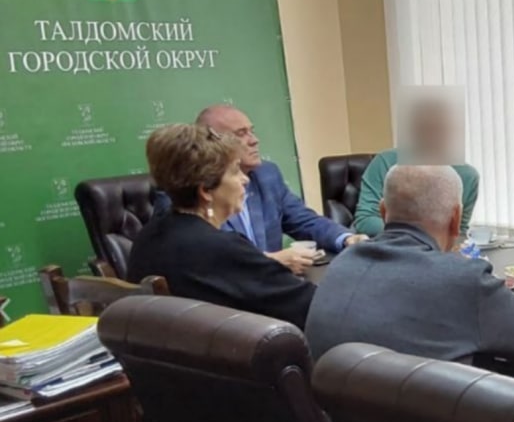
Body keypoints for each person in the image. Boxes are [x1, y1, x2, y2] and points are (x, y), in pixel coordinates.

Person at [306, 165, 514, 364]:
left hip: (337, 416)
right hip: (429, 418)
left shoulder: (342, 263)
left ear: (383, 212)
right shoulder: (464, 280)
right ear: (456, 219)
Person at [129, 124, 316, 329]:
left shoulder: (146, 236)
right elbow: (311, 306)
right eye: (235, 171)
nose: (245, 180)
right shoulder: (221, 248)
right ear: (206, 191)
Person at [153, 105, 365, 275]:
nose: (254, 140)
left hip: (266, 286)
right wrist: (269, 260)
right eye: (241, 134)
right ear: (213, 143)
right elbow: (206, 256)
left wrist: (346, 238)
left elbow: (304, 220)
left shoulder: (266, 174)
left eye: (251, 131)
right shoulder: (179, 193)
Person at [352, 96, 480, 239]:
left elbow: (459, 231)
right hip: (389, 246)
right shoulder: (385, 162)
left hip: (438, 250)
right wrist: (420, 237)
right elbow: (365, 220)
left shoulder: (467, 176)